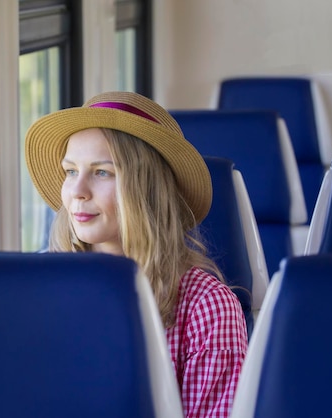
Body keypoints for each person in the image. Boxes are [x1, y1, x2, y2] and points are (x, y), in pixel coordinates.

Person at [24, 91, 248, 417]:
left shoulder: (207, 308)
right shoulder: (31, 287)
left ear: (146, 190)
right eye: (71, 171)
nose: (77, 191)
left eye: (102, 172)